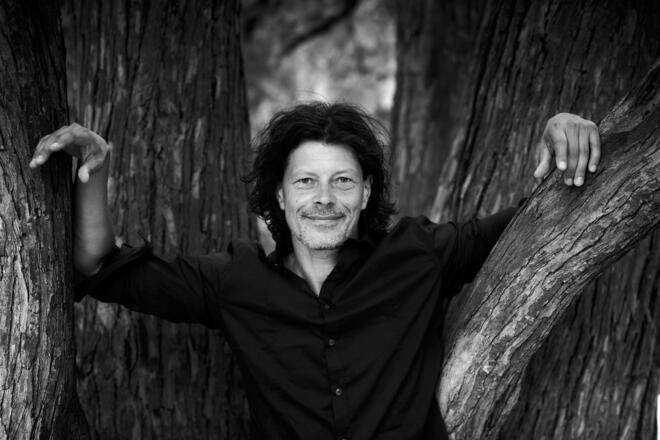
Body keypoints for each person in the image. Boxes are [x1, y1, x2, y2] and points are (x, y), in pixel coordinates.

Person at [30, 102, 601, 440]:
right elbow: (99, 266)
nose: (324, 198)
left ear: (366, 193)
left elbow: (535, 222)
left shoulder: (418, 254)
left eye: (342, 181)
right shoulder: (234, 282)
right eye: (306, 181)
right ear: (280, 195)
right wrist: (96, 168)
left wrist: (564, 130)